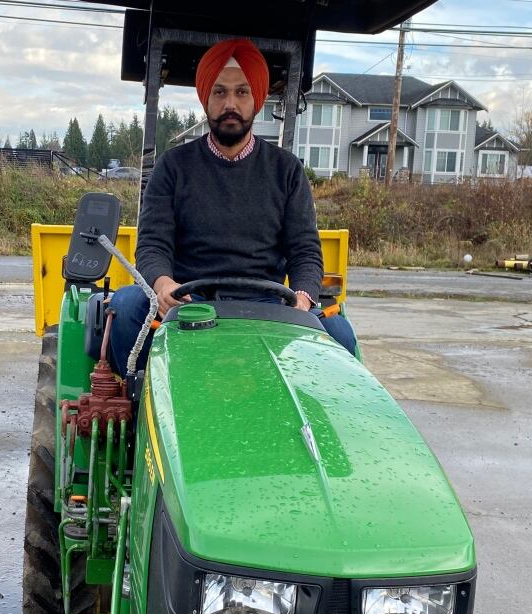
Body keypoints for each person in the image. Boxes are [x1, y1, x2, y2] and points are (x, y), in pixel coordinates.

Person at [110, 37, 357, 373]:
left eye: (241, 92)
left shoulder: (286, 170)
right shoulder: (173, 166)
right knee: (124, 307)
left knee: (340, 333)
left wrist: (302, 297)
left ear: (256, 100)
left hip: (267, 302)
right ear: (205, 99)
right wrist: (163, 284)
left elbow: (305, 251)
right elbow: (153, 243)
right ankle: (137, 402)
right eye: (220, 92)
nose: (231, 103)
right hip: (191, 300)